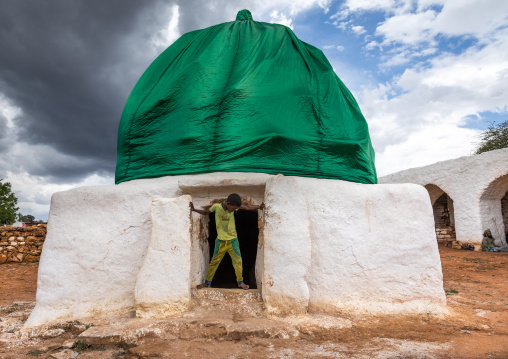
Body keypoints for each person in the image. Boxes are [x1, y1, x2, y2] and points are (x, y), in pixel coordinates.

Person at [190, 193, 265, 290]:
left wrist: (259, 206)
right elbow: (205, 212)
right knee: (214, 263)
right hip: (220, 242)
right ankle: (207, 283)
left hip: (233, 241)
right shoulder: (216, 207)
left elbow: (246, 207)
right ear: (228, 203)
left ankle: (240, 283)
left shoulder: (234, 207)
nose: (234, 210)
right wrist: (194, 209)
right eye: (233, 208)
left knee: (238, 262)